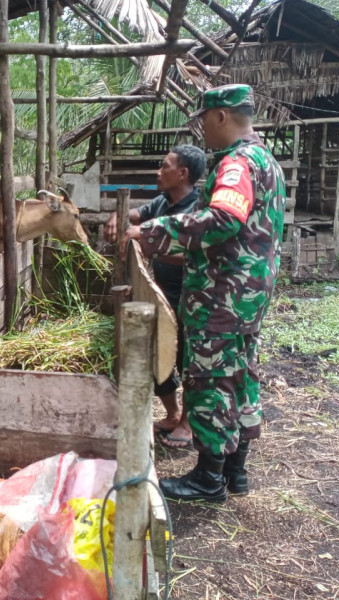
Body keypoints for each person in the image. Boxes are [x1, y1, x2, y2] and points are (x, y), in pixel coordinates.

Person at [123, 84, 286, 502]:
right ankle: (235, 470)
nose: (201, 131)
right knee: (240, 375)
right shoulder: (267, 160)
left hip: (222, 295)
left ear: (221, 117)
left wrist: (152, 232)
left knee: (209, 380)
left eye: (203, 121)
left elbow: (221, 220)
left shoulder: (237, 163)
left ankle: (207, 478)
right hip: (248, 295)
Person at [104, 144, 207, 450]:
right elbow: (137, 214)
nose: (157, 172)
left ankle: (188, 424)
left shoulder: (198, 210)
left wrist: (150, 243)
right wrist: (118, 215)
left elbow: (190, 253)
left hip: (190, 295)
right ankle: (173, 413)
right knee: (156, 353)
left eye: (164, 167)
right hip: (160, 290)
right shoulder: (163, 201)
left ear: (183, 173)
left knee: (187, 359)